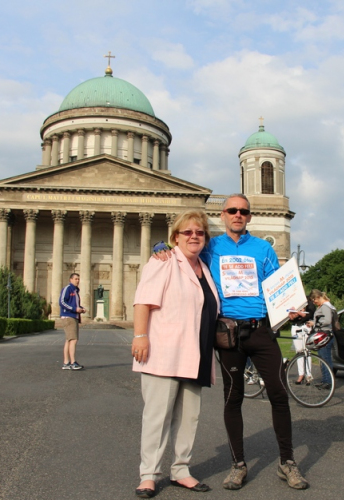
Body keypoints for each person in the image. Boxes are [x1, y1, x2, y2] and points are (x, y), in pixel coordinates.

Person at [151, 194, 308, 491]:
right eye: (232, 210)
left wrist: (293, 306)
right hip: (228, 333)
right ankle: (238, 465)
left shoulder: (263, 249)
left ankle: (287, 462)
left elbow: (278, 287)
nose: (238, 215)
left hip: (260, 330)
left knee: (278, 393)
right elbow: (184, 251)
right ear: (223, 215)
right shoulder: (211, 247)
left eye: (243, 211)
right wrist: (161, 247)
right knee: (232, 397)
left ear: (249, 216)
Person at [132, 210, 220, 498]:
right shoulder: (164, 261)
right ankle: (149, 475)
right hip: (164, 352)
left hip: (196, 355)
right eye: (188, 232)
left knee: (188, 418)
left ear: (206, 238)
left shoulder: (205, 270)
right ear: (175, 238)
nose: (194, 236)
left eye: (200, 232)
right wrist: (140, 336)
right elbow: (143, 301)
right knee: (158, 417)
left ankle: (181, 469)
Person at [309, 289, 336, 389]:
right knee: (324, 358)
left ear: (318, 297)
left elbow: (327, 320)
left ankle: (328, 381)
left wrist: (314, 323)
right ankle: (325, 379)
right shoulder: (327, 305)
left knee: (325, 358)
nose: (314, 302)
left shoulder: (325, 306)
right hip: (325, 333)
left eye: (314, 300)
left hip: (324, 334)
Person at [60, 273, 86, 370]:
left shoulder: (75, 291)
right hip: (68, 317)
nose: (77, 280)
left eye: (78, 279)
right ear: (70, 280)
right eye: (75, 279)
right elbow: (62, 302)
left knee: (69, 340)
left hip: (73, 316)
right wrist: (74, 309)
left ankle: (66, 363)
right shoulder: (68, 289)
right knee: (73, 339)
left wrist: (81, 309)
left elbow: (74, 305)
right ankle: (73, 362)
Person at [289, 299, 316, 384]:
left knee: (307, 351)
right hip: (295, 326)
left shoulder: (308, 301)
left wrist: (300, 313)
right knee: (299, 351)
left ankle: (308, 374)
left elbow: (310, 314)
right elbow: (290, 318)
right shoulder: (291, 300)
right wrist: (293, 314)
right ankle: (301, 374)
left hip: (305, 326)